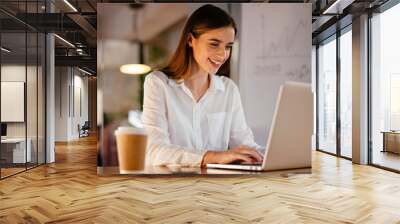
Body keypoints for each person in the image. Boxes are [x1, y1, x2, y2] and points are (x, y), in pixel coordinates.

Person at [142, 4, 264, 168]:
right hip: (173, 188)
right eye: (214, 44)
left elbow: (245, 145)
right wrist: (213, 156)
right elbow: (154, 151)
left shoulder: (229, 90)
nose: (223, 54)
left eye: (228, 46)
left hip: (215, 188)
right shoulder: (158, 83)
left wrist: (268, 155)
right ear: (191, 40)